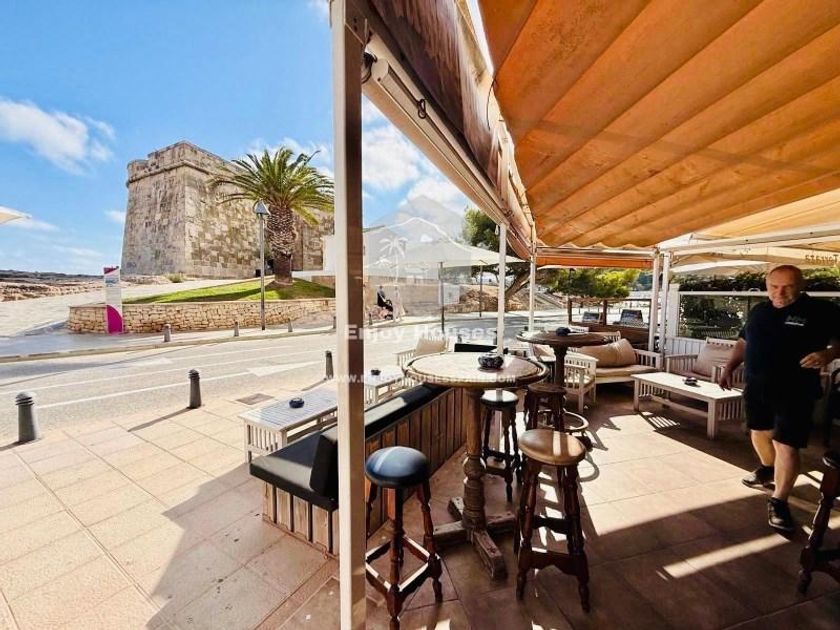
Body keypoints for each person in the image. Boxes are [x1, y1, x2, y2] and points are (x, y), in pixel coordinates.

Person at [719, 265, 840, 533]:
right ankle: (766, 467)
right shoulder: (759, 311)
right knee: (758, 432)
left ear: (801, 285)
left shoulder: (822, 310)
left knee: (786, 444)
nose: (780, 292)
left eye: (788, 287)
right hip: (757, 387)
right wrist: (729, 367)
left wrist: (829, 354)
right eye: (774, 286)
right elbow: (744, 342)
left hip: (796, 390)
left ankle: (779, 501)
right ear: (766, 285)